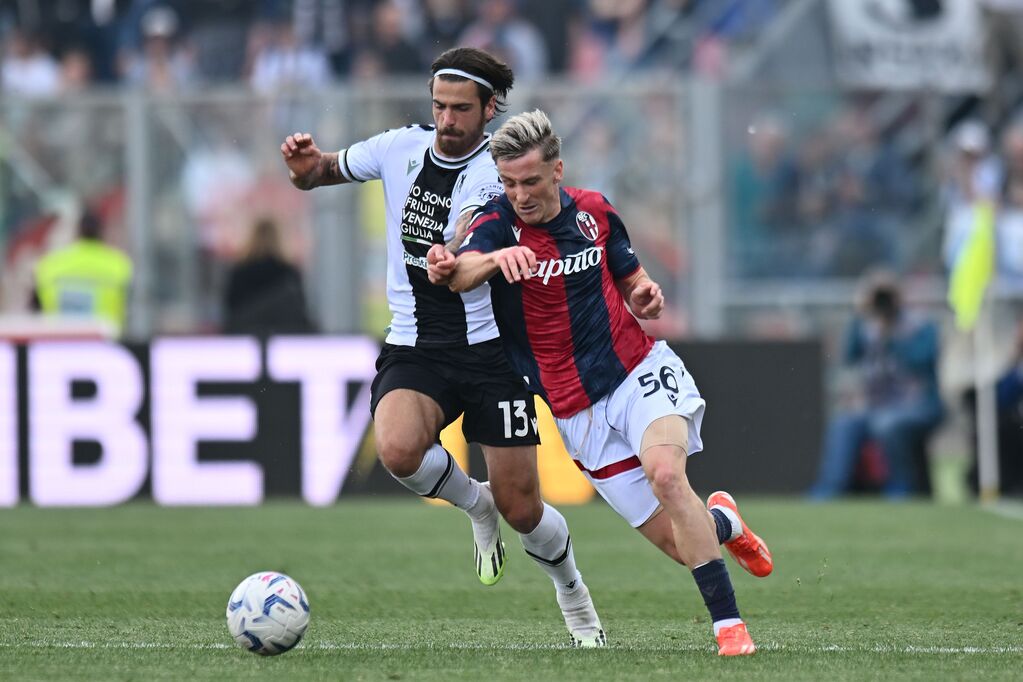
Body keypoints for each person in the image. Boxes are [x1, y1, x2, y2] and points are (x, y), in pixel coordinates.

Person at [280, 48, 605, 647]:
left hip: (493, 352)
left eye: (461, 109)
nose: (448, 120)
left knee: (525, 510)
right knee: (399, 448)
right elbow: (320, 172)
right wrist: (303, 165)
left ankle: (572, 591)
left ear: (489, 110)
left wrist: (457, 256)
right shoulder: (398, 146)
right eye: (439, 106)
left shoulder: (496, 175)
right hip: (416, 345)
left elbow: (474, 232)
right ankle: (471, 505)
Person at [427, 109, 772, 657]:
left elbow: (632, 278)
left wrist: (644, 295)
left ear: (558, 171)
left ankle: (729, 629)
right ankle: (722, 523)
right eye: (510, 183)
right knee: (689, 544)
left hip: (635, 372)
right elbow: (462, 272)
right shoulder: (497, 224)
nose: (520, 194)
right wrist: (495, 259)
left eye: (532, 181)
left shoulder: (595, 211)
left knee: (665, 474)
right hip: (573, 411)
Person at [809, 273, 945, 499]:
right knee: (843, 424)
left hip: (917, 404)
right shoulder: (866, 326)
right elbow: (849, 356)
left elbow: (921, 361)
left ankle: (901, 487)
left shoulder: (920, 326)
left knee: (887, 425)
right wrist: (859, 312)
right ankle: (830, 489)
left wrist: (890, 336)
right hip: (876, 406)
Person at [33, 209, 133, 337]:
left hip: (58, 343)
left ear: (77, 232)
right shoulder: (120, 265)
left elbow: (36, 309)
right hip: (106, 344)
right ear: (102, 232)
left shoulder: (50, 265)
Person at [223, 217, 316, 335]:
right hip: (284, 338)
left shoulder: (239, 272)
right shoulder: (288, 273)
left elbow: (230, 310)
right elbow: (299, 310)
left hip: (246, 338)